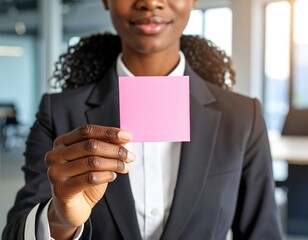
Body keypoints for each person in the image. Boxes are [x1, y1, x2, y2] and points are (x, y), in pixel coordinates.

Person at [3, 0, 283, 239]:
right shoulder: (59, 113)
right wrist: (59, 219)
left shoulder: (243, 118)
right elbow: (16, 230)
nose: (150, 2)